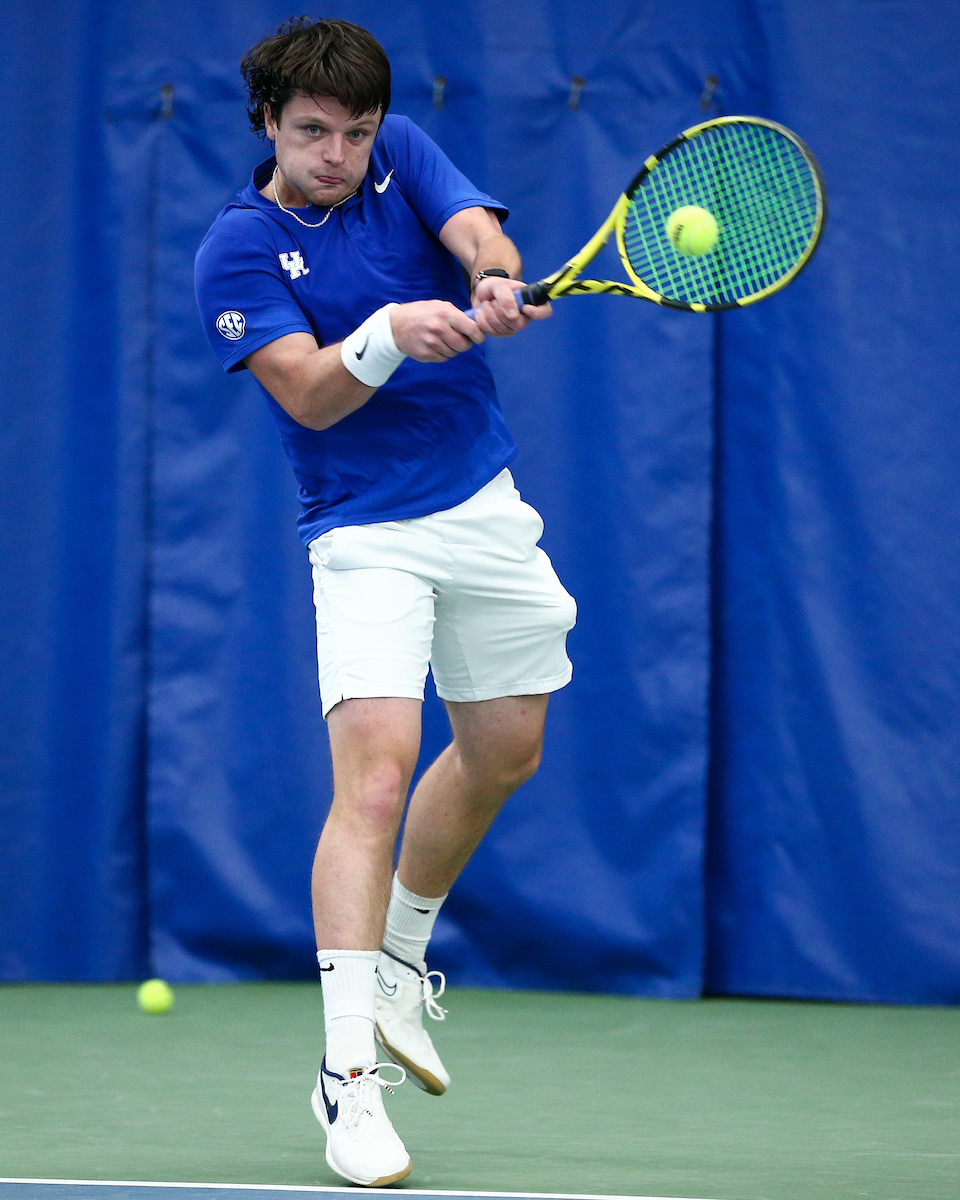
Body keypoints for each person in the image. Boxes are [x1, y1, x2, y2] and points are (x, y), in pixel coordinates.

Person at [195, 16, 576, 1188]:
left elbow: (476, 230)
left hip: (482, 500)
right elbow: (310, 397)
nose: (339, 155)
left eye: (355, 133)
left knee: (506, 749)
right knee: (374, 778)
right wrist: (389, 334)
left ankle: (403, 959)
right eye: (314, 132)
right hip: (363, 532)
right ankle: (347, 1076)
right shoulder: (238, 248)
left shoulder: (400, 151)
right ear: (268, 121)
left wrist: (493, 275)